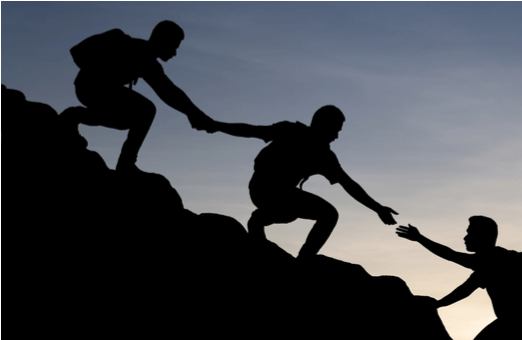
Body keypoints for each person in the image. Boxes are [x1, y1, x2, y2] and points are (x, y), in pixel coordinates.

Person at [211, 105, 398, 258]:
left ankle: (265, 223)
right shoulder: (291, 131)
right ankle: (302, 259)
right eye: (335, 130)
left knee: (297, 214)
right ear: (323, 124)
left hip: (280, 194)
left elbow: (349, 185)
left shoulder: (325, 155)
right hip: (264, 189)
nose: (337, 136)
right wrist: (217, 125)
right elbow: (252, 131)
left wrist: (378, 208)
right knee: (329, 214)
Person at [62, 20, 215, 173]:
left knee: (127, 121)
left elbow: (169, 92)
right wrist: (101, 73)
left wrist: (194, 113)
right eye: (174, 46)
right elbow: (76, 51)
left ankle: (76, 115)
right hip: (89, 87)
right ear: (163, 39)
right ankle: (126, 163)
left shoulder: (149, 64)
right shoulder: (123, 42)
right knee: (146, 109)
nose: (175, 53)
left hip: (100, 92)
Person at [396, 216, 522, 340]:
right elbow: (465, 288)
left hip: (516, 324)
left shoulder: (491, 262)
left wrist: (420, 238)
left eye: (470, 233)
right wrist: (439, 304)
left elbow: (452, 258)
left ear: (483, 236)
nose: (465, 238)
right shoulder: (497, 262)